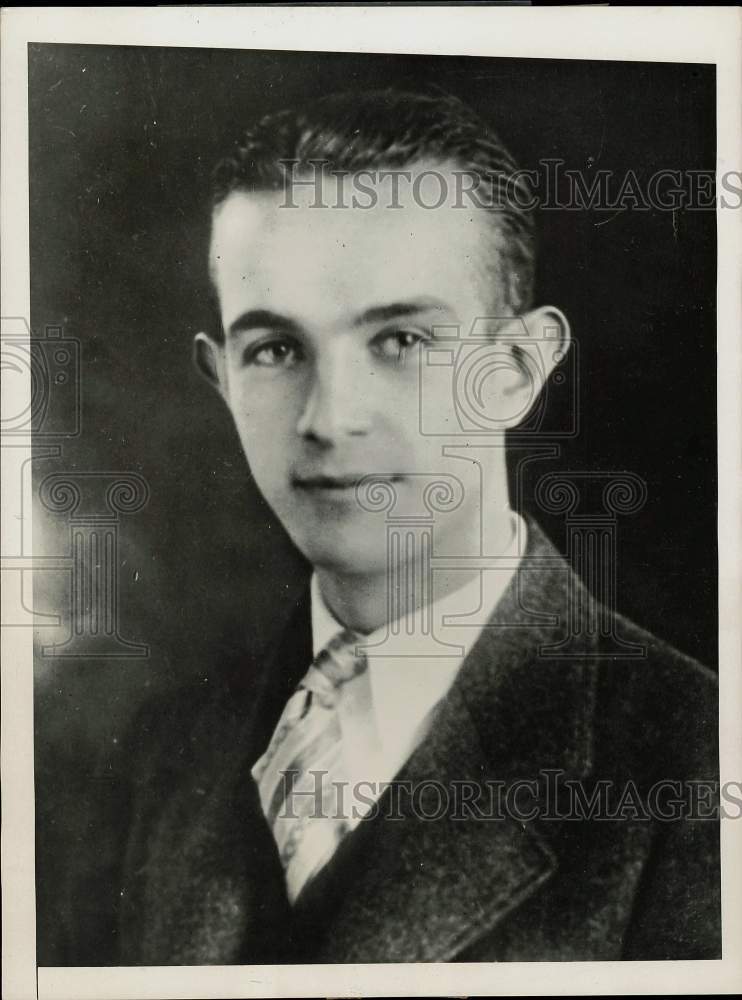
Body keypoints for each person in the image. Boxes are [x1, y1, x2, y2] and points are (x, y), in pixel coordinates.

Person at [48, 88, 721, 965]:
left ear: (515, 371)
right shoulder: (160, 757)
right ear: (221, 381)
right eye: (276, 350)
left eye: (401, 341)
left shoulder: (693, 767)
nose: (332, 418)